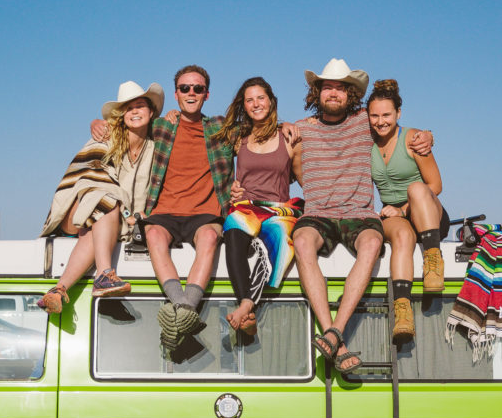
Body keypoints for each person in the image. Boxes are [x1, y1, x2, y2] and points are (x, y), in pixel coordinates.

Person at [291, 58, 432, 371]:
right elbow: (266, 153)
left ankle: (334, 331)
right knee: (301, 242)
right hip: (318, 214)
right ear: (317, 92)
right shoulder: (299, 130)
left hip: (359, 213)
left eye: (341, 88)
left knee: (371, 244)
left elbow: (398, 128)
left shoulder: (364, 122)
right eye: (327, 86)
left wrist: (426, 135)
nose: (334, 93)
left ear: (350, 94)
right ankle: (336, 340)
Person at [38, 80, 163, 313]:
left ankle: (58, 290)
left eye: (140, 106)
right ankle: (105, 274)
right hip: (75, 213)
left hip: (106, 222)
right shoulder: (106, 137)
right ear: (121, 115)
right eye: (128, 108)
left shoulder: (155, 148)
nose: (134, 111)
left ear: (151, 111)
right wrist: (129, 213)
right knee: (107, 198)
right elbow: (88, 178)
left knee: (96, 229)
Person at [141, 65, 234, 352]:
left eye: (197, 88)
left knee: (209, 238)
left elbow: (260, 126)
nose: (191, 93)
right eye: (185, 88)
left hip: (204, 211)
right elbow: (124, 123)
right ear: (176, 94)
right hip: (165, 209)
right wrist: (99, 121)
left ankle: (179, 316)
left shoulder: (221, 127)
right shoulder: (160, 126)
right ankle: (185, 312)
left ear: (207, 94)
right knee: (153, 235)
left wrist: (288, 126)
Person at [219, 76, 303, 338]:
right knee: (232, 230)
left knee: (280, 241)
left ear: (271, 100)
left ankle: (245, 305)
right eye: (249, 100)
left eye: (261, 98)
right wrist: (229, 189)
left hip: (279, 208)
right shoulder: (237, 138)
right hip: (246, 206)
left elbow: (305, 181)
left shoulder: (289, 137)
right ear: (243, 106)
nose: (256, 104)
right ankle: (248, 306)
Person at [368, 78, 448, 343]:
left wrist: (403, 209)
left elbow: (435, 185)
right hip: (394, 216)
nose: (381, 121)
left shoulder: (413, 139)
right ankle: (403, 314)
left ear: (398, 114)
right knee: (401, 237)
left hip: (426, 213)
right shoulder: (366, 145)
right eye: (375, 116)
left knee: (416, 188)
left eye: (387, 115)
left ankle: (433, 262)